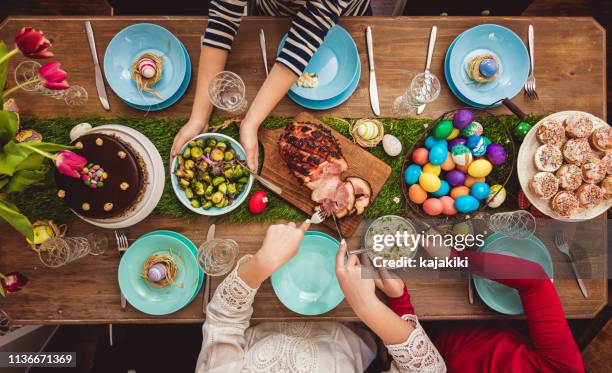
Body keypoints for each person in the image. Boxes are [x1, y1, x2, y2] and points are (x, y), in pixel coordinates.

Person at [196, 220, 446, 372]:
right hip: (356, 323)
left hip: (264, 311)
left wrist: (263, 262)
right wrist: (376, 306)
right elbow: (429, 369)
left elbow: (223, 322)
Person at [171, 0, 372, 171]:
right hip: (273, 11)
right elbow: (222, 19)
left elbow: (307, 33)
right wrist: (198, 117)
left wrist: (251, 122)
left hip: (343, 16)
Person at [412, 224, 585, 373]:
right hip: (465, 326)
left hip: (419, 349)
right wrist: (453, 258)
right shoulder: (564, 369)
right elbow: (536, 281)